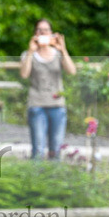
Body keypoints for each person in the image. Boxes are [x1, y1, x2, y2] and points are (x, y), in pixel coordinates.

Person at [19, 19, 76, 159]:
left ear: (51, 33)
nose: (42, 32)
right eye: (39, 30)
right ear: (35, 34)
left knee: (56, 149)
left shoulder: (58, 54)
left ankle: (54, 179)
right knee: (38, 149)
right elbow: (24, 74)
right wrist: (31, 51)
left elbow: (71, 71)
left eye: (46, 30)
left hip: (57, 105)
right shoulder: (27, 54)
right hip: (36, 105)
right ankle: (36, 179)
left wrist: (63, 49)